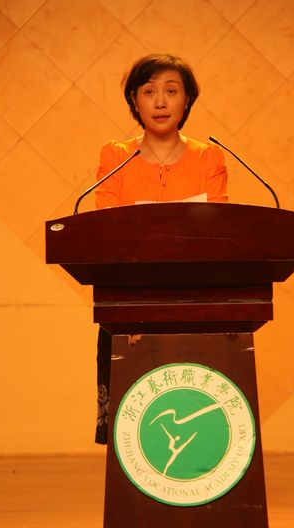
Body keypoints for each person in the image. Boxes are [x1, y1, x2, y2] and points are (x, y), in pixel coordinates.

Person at [94, 53, 228, 443]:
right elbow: (107, 229)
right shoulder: (116, 156)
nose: (160, 102)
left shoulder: (209, 156)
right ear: (134, 101)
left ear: (187, 100)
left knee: (195, 424)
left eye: (171, 91)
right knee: (134, 431)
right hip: (129, 303)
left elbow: (219, 231)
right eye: (149, 91)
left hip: (197, 303)